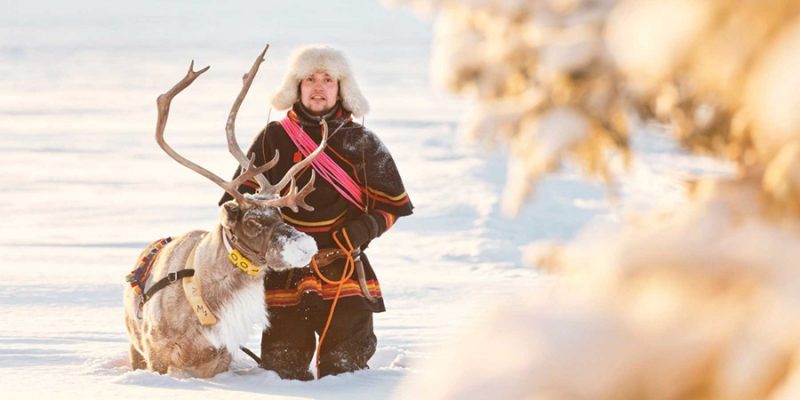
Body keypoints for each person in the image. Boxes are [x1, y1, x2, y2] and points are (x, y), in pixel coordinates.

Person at [219, 44, 413, 380]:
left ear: (342, 88)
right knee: (282, 371)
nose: (319, 87)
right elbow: (236, 205)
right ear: (297, 86)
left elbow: (392, 205)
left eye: (328, 79)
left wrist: (366, 227)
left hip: (343, 270)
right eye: (310, 79)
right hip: (284, 272)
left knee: (346, 372)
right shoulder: (273, 138)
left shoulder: (363, 142)